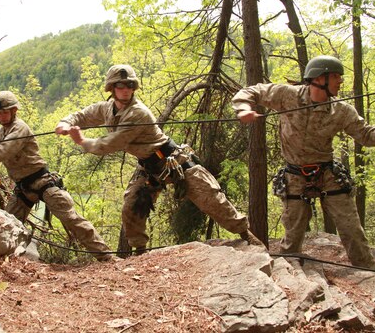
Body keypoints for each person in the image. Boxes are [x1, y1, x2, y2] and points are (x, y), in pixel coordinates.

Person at [55, 64, 263, 255]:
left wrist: (82, 141)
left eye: (129, 85)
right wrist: (66, 122)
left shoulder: (138, 113)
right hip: (149, 167)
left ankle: (248, 237)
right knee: (132, 207)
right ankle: (140, 252)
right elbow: (83, 115)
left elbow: (111, 143)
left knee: (213, 201)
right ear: (112, 88)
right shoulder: (106, 109)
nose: (125, 89)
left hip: (175, 162)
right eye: (120, 85)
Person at [232, 55, 375, 269]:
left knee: (352, 229)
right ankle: (289, 276)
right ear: (320, 78)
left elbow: (366, 135)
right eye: (336, 76)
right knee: (293, 232)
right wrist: (243, 109)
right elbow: (249, 92)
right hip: (295, 175)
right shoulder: (287, 95)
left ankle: (368, 272)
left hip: (328, 174)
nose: (340, 81)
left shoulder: (341, 110)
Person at [0, 91, 116, 262]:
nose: (2, 116)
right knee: (4, 225)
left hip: (43, 182)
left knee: (72, 219)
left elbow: (1, 153)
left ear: (14, 111)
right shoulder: (0, 132)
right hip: (23, 187)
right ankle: (2, 261)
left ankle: (107, 258)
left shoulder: (19, 128)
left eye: (5, 112)